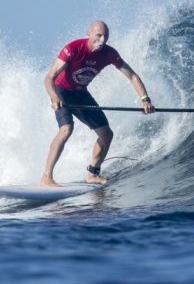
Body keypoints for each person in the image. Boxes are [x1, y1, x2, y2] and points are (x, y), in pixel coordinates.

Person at [40, 21, 155, 187]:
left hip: (80, 93)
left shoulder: (109, 54)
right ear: (89, 33)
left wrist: (145, 99)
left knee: (106, 134)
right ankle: (46, 177)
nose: (102, 41)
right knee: (66, 129)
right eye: (98, 36)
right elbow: (49, 78)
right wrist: (54, 97)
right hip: (61, 91)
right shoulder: (73, 49)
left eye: (105, 37)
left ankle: (93, 173)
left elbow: (132, 76)